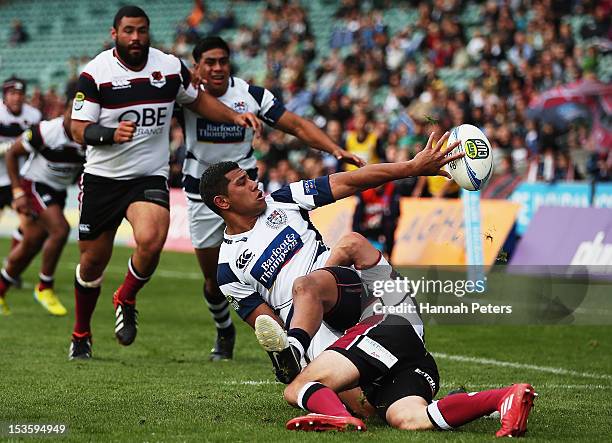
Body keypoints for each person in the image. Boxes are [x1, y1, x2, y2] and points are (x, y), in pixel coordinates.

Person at [68, 6, 261, 360]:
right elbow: (77, 128)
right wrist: (109, 134)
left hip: (148, 174)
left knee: (152, 240)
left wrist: (235, 115)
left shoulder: (169, 67)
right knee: (92, 263)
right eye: (128, 31)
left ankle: (125, 297)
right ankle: (81, 333)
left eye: (142, 30)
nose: (136, 38)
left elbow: (199, 101)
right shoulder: (95, 74)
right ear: (115, 34)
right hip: (102, 178)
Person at [200, 131, 461, 372]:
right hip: (306, 326)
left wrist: (411, 168)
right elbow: (270, 328)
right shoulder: (228, 270)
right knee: (363, 402)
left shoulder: (283, 200)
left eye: (251, 178)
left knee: (349, 244)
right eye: (242, 183)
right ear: (223, 202)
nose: (255, 184)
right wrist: (298, 362)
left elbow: (350, 181)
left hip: (340, 285)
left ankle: (400, 309)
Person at [181, 36, 364, 361]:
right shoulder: (188, 94)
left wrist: (333, 148)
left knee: (273, 263)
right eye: (209, 62)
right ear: (197, 66)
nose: (217, 67)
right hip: (200, 196)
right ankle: (224, 328)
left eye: (223, 60)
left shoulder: (252, 95)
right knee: (213, 281)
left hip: (243, 192)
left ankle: (292, 343)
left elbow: (294, 123)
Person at [0, 103, 85, 316]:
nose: (73, 120)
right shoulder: (47, 131)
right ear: (64, 112)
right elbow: (12, 154)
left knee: (32, 242)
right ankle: (45, 287)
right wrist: (18, 191)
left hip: (58, 191)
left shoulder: (89, 135)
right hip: (34, 184)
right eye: (70, 114)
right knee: (60, 230)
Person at [0, 76, 42, 306]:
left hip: (16, 179)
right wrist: (9, 148)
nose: (16, 97)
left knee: (29, 226)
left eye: (19, 93)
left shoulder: (34, 115)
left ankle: (11, 269)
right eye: (11, 93)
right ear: (4, 96)